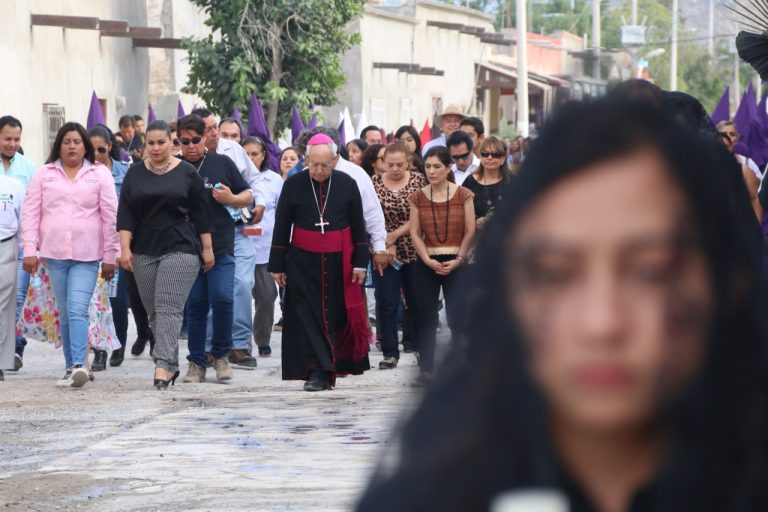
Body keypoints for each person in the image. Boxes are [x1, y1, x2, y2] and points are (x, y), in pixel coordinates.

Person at [356, 98, 768, 512]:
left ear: (724, 283)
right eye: (556, 274)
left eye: (651, 272)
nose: (601, 322)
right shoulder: (437, 493)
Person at [269, 134, 371, 391]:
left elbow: (359, 226)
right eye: (313, 164)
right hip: (302, 261)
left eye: (325, 165)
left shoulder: (347, 183)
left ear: (335, 160)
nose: (319, 170)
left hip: (340, 261)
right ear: (306, 160)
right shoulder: (293, 185)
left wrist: (360, 263)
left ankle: (330, 367)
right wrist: (277, 265)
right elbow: (282, 225)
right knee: (307, 315)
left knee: (334, 315)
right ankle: (317, 370)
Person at [21, 122, 119, 388]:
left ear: (85, 146)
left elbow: (111, 216)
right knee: (65, 313)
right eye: (67, 141)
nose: (72, 146)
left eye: (77, 141)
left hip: (87, 257)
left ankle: (78, 364)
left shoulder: (99, 175)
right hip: (54, 255)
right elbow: (30, 214)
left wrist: (112, 254)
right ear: (59, 146)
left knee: (77, 309)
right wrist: (29, 250)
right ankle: (70, 368)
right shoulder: (44, 174)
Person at [117, 120, 213, 390]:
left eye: (162, 142)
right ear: (144, 144)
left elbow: (201, 213)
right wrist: (125, 249)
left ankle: (163, 366)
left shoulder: (186, 172)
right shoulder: (135, 174)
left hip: (181, 245)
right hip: (144, 247)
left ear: (172, 143)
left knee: (168, 306)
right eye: (151, 143)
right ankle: (169, 362)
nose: (156, 148)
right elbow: (125, 214)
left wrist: (207, 249)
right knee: (153, 311)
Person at [176, 114, 253, 383]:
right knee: (195, 304)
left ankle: (220, 355)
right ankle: (196, 361)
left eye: (196, 140)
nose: (191, 146)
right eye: (184, 142)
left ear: (205, 139)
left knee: (222, 298)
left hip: (221, 245)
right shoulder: (174, 167)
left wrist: (231, 198)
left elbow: (248, 195)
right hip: (187, 248)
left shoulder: (221, 163)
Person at [191, 108, 266, 366]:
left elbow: (254, 183)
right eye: (208, 129)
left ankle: (240, 345)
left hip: (235, 229)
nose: (213, 133)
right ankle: (211, 348)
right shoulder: (184, 160)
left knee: (242, 284)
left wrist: (256, 204)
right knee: (209, 293)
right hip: (198, 237)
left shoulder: (232, 151)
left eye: (215, 127)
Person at [408, 146, 475, 386]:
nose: (431, 171)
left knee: (458, 315)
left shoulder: (464, 194)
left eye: (437, 166)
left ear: (448, 168)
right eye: (427, 166)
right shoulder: (417, 196)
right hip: (427, 261)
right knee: (426, 317)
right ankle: (427, 370)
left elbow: (470, 230)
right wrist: (427, 259)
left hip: (457, 260)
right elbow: (415, 232)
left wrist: (459, 259)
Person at [372, 143, 426, 369]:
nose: (394, 169)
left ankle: (422, 348)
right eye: (390, 164)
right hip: (383, 251)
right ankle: (390, 352)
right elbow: (370, 215)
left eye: (400, 165)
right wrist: (385, 242)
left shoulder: (418, 181)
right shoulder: (373, 183)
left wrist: (394, 235)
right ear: (383, 162)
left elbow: (421, 214)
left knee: (417, 302)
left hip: (413, 248)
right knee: (386, 302)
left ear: (408, 162)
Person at [87, 125, 131, 369]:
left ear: (110, 148)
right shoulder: (82, 173)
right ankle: (99, 350)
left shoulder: (126, 172)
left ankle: (119, 343)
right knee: (94, 300)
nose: (96, 155)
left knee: (116, 298)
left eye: (101, 150)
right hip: (89, 245)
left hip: (117, 243)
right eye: (91, 150)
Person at [0, 115, 36, 372]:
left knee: (14, 300)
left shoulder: (29, 168)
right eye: (7, 138)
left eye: (16, 139)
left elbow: (34, 209)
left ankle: (13, 349)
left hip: (17, 244)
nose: (12, 144)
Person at [243, 136, 284, 358]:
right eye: (246, 154)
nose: (250, 158)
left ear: (263, 155)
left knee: (267, 297)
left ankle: (262, 338)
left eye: (255, 154)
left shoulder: (275, 180)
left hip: (266, 250)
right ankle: (241, 343)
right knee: (238, 299)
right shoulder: (235, 178)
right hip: (239, 247)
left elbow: (282, 214)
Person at [0, 172, 24, 381]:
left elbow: (24, 220)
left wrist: (30, 252)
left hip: (6, 246)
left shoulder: (13, 186)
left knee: (3, 306)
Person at [462, 136, 512, 229]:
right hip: (479, 239)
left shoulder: (513, 182)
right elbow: (461, 213)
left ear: (503, 159)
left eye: (495, 154)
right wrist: (476, 221)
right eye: (485, 154)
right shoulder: (470, 182)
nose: (489, 157)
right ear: (480, 157)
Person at [716, 121, 762, 220]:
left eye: (732, 134)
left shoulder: (747, 166)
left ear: (736, 139)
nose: (727, 138)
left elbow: (756, 198)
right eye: (723, 134)